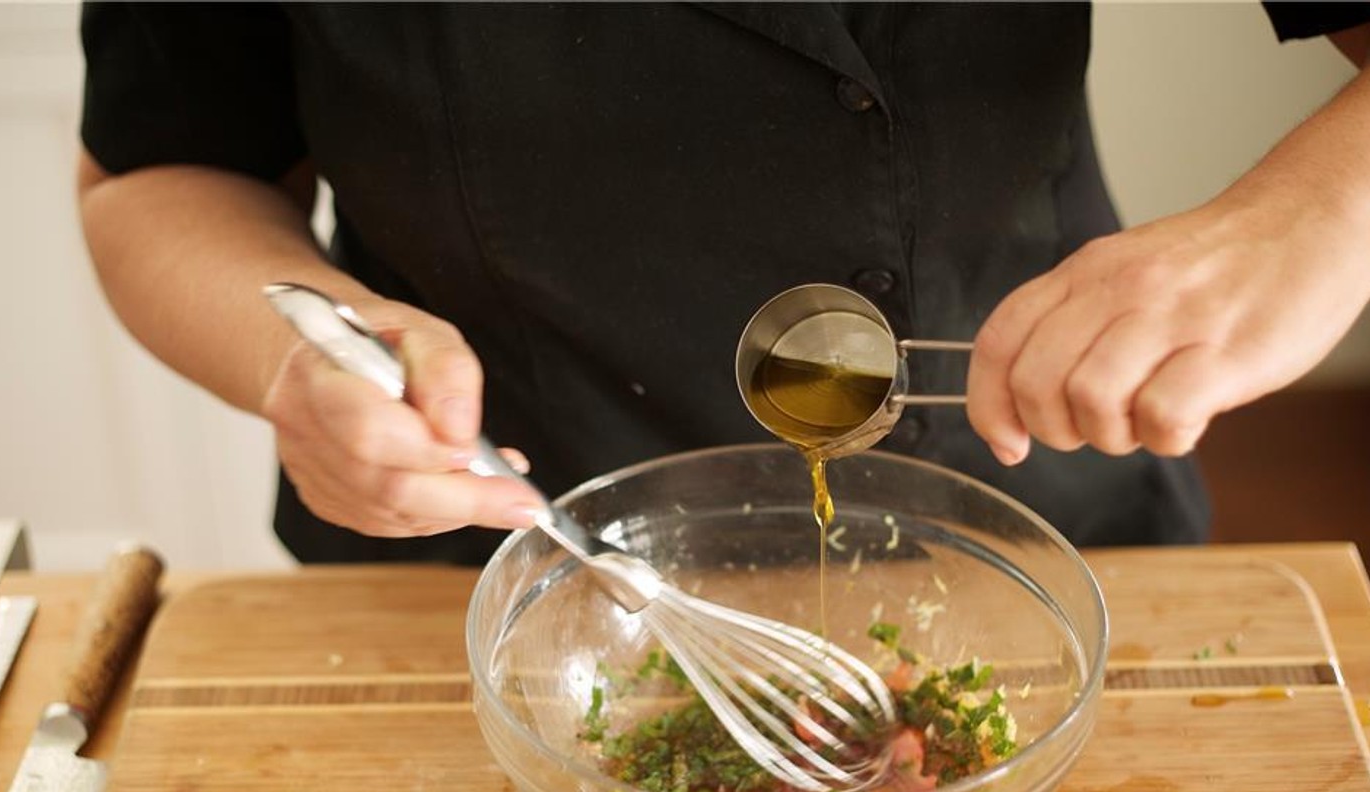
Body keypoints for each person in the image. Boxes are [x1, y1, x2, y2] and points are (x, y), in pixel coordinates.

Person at [76, 2, 1370, 565]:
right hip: (495, 567)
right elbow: (156, 175)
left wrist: (1307, 217)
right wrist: (302, 357)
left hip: (1025, 511)